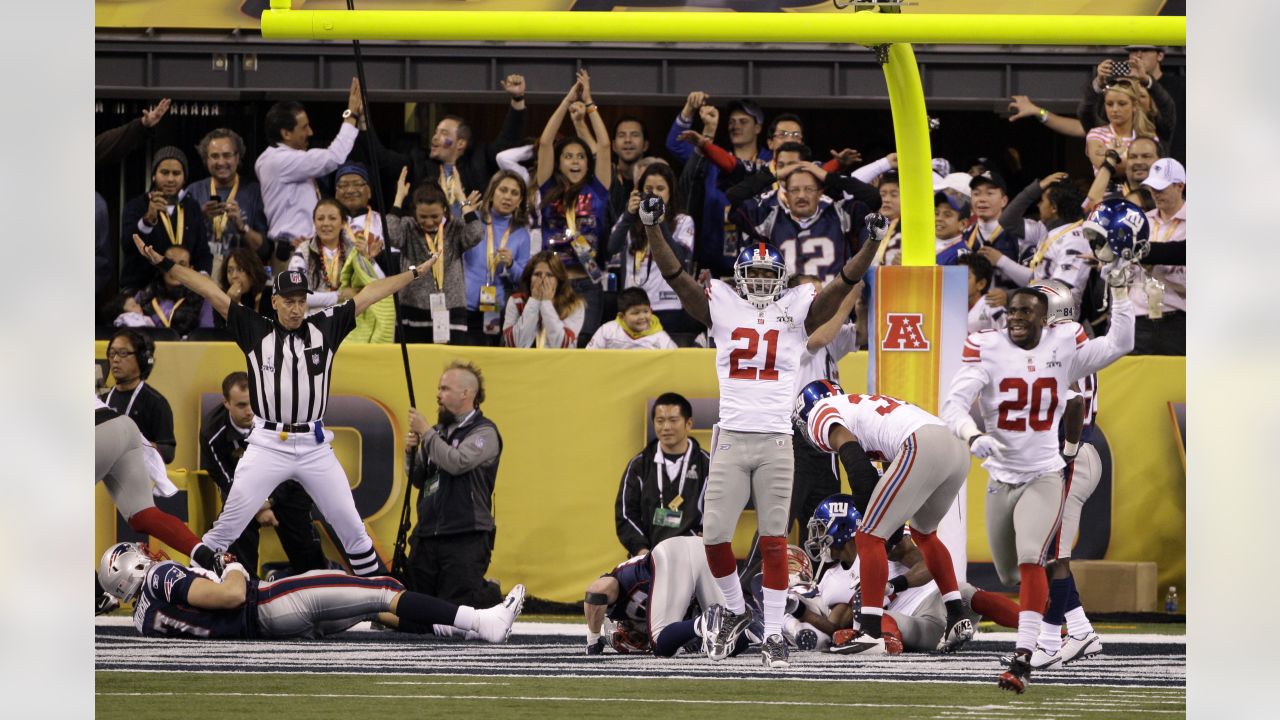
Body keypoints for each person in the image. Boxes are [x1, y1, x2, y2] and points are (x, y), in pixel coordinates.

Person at [638, 192, 883, 669]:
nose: (761, 284)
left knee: (773, 539)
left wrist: (870, 245)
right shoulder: (722, 303)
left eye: (769, 276)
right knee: (713, 537)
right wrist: (652, 229)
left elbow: (844, 281)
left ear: (782, 280)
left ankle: (772, 634)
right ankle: (733, 610)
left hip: (776, 437)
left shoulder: (798, 306)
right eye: (754, 275)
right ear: (740, 277)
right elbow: (674, 276)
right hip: (731, 435)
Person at [130, 229, 438, 578]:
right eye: (288, 301)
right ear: (274, 301)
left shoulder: (326, 326)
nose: (295, 308)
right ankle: (185, 588)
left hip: (315, 446)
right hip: (266, 445)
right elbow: (207, 289)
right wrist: (164, 262)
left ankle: (386, 603)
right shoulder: (254, 328)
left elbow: (370, 293)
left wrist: (414, 273)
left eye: (301, 301)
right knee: (226, 529)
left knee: (353, 530)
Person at [940, 251, 1138, 692]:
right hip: (1006, 471)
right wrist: (972, 435)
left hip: (1054, 462)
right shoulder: (989, 345)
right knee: (1020, 568)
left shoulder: (1066, 343)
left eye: (1029, 312)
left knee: (1040, 556)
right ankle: (1077, 629)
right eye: (1013, 311)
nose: (1018, 319)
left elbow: (1085, 389)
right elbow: (954, 402)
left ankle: (1033, 650)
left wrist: (1123, 294)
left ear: (1050, 318)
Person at [792, 380, 977, 655]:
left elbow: (855, 462)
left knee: (867, 536)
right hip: (955, 447)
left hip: (922, 444)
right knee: (924, 534)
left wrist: (875, 520)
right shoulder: (859, 405)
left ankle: (871, 632)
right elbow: (894, 464)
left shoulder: (821, 412)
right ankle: (956, 616)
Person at [98, 541, 526, 642]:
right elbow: (229, 596)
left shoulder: (143, 618)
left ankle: (456, 630)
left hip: (264, 630)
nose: (147, 550)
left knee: (370, 607)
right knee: (381, 590)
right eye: (139, 552)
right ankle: (482, 621)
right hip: (267, 604)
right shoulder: (160, 577)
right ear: (133, 566)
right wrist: (233, 566)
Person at [795, 495, 1021, 654]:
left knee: (966, 592)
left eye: (822, 528)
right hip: (913, 626)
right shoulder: (831, 579)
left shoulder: (883, 542)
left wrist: (894, 586)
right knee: (872, 621)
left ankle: (1035, 626)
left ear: (842, 527)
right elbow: (837, 625)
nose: (817, 537)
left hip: (940, 604)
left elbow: (929, 566)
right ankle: (886, 645)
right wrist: (799, 609)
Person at [200, 372, 326, 579]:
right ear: (226, 404)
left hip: (287, 486)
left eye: (254, 403)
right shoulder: (212, 432)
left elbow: (294, 467)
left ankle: (317, 583)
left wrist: (269, 500)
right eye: (241, 405)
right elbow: (225, 479)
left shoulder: (281, 418)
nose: (250, 411)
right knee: (237, 528)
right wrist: (255, 507)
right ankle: (247, 589)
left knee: (302, 541)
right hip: (242, 492)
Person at [94, 397, 207, 615]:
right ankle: (213, 559)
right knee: (143, 515)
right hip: (122, 425)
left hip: (93, 430)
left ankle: (92, 594)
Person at [404, 360, 503, 609]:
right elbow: (418, 480)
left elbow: (457, 463)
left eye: (445, 389)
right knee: (415, 609)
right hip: (427, 532)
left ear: (466, 394)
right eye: (439, 388)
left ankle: (490, 595)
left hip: (465, 534)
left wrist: (426, 433)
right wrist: (409, 453)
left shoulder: (484, 433)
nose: (438, 394)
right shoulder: (437, 432)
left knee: (456, 611)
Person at [355, 74, 528, 212]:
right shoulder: (417, 163)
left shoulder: (480, 159)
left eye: (443, 133)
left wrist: (517, 100)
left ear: (461, 144)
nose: (434, 138)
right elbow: (381, 158)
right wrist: (362, 122)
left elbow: (506, 143)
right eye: (435, 132)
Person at [536, 70, 612, 345]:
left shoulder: (598, 191)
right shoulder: (547, 188)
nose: (575, 161)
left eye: (581, 156)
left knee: (584, 346)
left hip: (588, 284)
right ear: (559, 162)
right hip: (553, 283)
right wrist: (567, 100)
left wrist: (590, 103)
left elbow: (604, 146)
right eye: (568, 156)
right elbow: (545, 142)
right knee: (551, 345)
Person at [255, 80, 363, 264]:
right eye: (304, 127)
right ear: (286, 134)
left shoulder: (283, 160)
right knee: (294, 295)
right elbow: (334, 157)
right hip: (291, 255)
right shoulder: (278, 161)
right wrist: (351, 114)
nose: (311, 132)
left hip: (308, 250)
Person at [665, 93, 768, 276]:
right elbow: (675, 144)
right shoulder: (714, 160)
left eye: (743, 121)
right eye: (732, 121)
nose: (735, 126)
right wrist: (689, 108)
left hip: (760, 263)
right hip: (714, 261)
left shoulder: (772, 163)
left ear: (758, 127)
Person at [583, 536, 731, 658]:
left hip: (670, 555)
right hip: (702, 547)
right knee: (726, 640)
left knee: (661, 645)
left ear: (618, 623)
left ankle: (702, 623)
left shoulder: (618, 607)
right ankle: (751, 631)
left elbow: (597, 591)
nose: (639, 639)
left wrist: (593, 640)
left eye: (633, 637)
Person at [737, 161, 880, 285]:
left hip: (834, 307)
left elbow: (873, 198)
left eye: (809, 189)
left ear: (820, 193)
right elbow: (734, 198)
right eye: (794, 190)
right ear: (785, 195)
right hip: (787, 310)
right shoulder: (771, 218)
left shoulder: (840, 213)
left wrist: (827, 176)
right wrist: (774, 175)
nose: (801, 195)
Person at [386, 182, 484, 343]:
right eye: (423, 216)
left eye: (435, 216)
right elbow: (390, 234)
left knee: (450, 365)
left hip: (452, 310)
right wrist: (398, 199)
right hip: (411, 309)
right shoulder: (408, 226)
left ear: (445, 209)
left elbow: (476, 233)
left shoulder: (455, 227)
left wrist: (463, 201)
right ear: (414, 212)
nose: (429, 222)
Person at [614, 392, 710, 558]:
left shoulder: (707, 464)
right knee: (602, 585)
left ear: (688, 424)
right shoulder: (639, 465)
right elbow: (625, 514)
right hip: (647, 556)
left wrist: (702, 542)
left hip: (693, 557)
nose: (666, 427)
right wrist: (642, 552)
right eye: (660, 421)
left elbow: (719, 512)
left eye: (673, 420)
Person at [607, 162, 698, 335]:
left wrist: (659, 220)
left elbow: (679, 259)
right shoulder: (630, 219)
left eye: (660, 188)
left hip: (668, 305)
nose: (654, 194)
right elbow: (611, 248)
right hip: (632, 308)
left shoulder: (682, 221)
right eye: (648, 189)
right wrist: (627, 215)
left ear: (671, 192)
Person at [978, 173, 1093, 309]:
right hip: (1038, 312)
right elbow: (1007, 221)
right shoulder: (1044, 230)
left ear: (1054, 208)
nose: (1038, 204)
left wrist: (1010, 296)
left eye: (1042, 200)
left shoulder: (1076, 239)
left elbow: (1059, 290)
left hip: (1062, 320)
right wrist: (1038, 187)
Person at [120, 146, 212, 292]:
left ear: (184, 178)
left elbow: (202, 252)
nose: (170, 179)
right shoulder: (136, 206)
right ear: (154, 175)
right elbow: (128, 247)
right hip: (142, 289)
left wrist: (203, 278)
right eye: (164, 172)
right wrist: (147, 220)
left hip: (185, 290)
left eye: (176, 173)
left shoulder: (192, 207)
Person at [187, 127, 268, 282]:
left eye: (227, 155)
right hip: (202, 276)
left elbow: (264, 249)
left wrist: (241, 226)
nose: (221, 162)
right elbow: (180, 243)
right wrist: (199, 216)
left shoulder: (255, 192)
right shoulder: (193, 191)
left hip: (241, 279)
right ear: (206, 159)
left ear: (237, 157)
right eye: (215, 156)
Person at [462, 170, 532, 344]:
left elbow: (524, 278)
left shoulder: (521, 234)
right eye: (503, 190)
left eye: (514, 193)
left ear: (520, 201)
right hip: (463, 306)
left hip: (495, 309)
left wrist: (511, 264)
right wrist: (462, 209)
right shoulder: (472, 220)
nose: (507, 197)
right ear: (492, 193)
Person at [1130, 158, 1186, 355]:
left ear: (1180, 186)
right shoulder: (1140, 222)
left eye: (1160, 188)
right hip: (1138, 320)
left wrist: (1154, 263)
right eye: (1152, 187)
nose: (1154, 193)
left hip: (1177, 320)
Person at [103, 329, 176, 464]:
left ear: (142, 359)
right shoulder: (101, 400)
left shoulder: (156, 402)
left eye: (123, 353)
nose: (115, 359)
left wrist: (136, 447)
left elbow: (168, 452)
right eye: (112, 353)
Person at [501, 251, 585, 349]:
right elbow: (515, 345)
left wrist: (546, 303)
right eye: (537, 274)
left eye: (549, 275)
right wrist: (534, 301)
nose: (543, 280)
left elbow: (562, 346)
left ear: (558, 280)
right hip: (524, 362)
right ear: (529, 278)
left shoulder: (574, 305)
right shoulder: (516, 301)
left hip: (557, 363)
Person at [289, 198, 358, 311]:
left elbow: (375, 283)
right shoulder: (303, 251)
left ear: (343, 223)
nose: (326, 223)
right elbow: (296, 292)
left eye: (332, 218)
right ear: (314, 222)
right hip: (314, 322)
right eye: (320, 219)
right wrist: (338, 296)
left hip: (350, 320)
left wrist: (369, 259)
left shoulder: (353, 250)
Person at [133, 245, 215, 336]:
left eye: (182, 264)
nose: (175, 269)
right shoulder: (143, 295)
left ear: (191, 269)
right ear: (161, 266)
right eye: (169, 263)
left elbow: (206, 336)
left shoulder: (202, 298)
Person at [586, 287, 677, 350]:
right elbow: (589, 356)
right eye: (635, 313)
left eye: (646, 311)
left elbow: (675, 361)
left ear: (651, 310)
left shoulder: (661, 338)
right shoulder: (607, 331)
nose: (642, 317)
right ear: (622, 316)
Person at [217, 246, 274, 327]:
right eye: (230, 270)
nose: (234, 276)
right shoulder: (221, 297)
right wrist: (230, 305)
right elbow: (222, 333)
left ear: (253, 271)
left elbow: (263, 332)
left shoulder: (268, 296)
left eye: (240, 270)